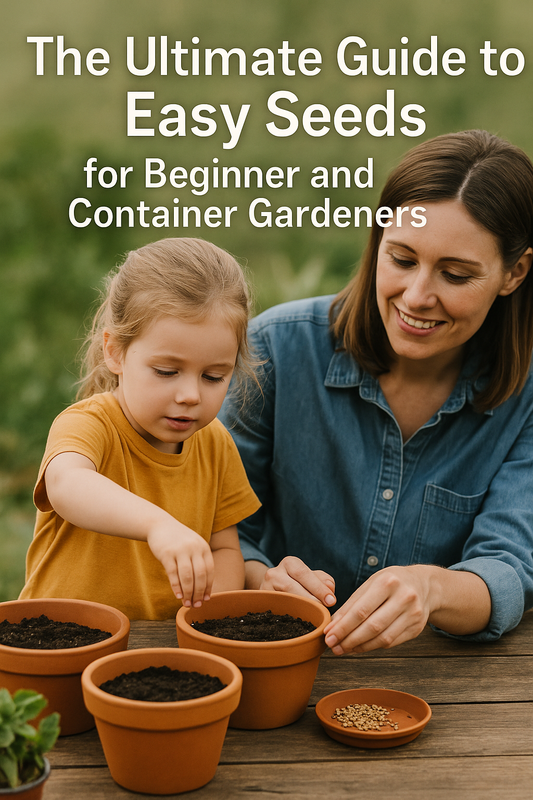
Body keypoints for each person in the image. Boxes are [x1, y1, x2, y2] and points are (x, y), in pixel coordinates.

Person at [220, 129, 533, 654]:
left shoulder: (524, 397)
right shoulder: (276, 349)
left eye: (455, 275)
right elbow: (217, 524)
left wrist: (431, 588)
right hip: (275, 655)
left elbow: (509, 568)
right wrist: (259, 577)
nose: (416, 296)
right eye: (402, 259)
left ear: (514, 272)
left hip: (442, 687)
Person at [20, 238, 260, 619]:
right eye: (167, 372)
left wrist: (207, 618)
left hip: (158, 656)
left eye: (214, 376)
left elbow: (226, 551)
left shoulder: (215, 444)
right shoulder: (89, 423)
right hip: (59, 646)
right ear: (115, 352)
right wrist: (157, 525)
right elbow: (66, 485)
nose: (190, 395)